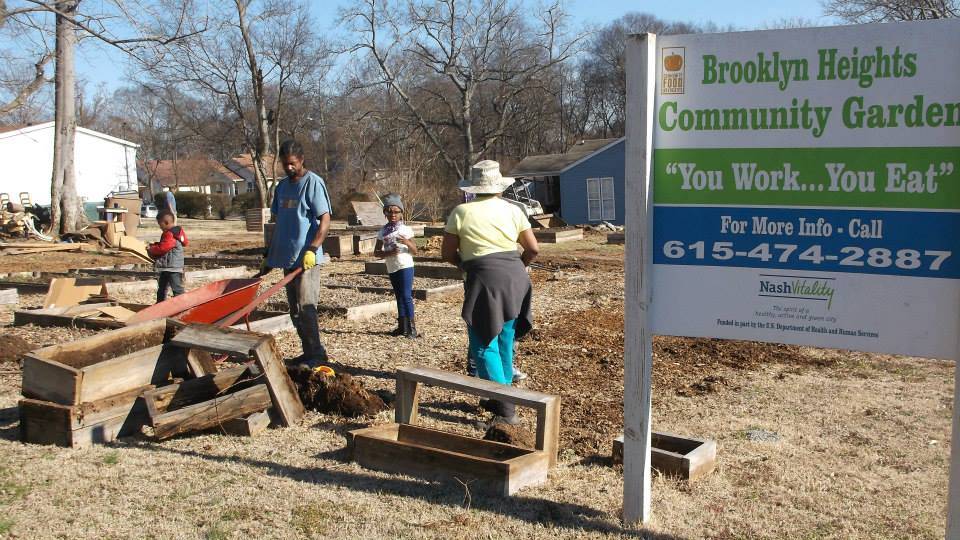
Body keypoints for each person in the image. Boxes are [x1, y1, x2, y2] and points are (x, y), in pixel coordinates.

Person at [442, 160, 539, 425]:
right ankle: (499, 391)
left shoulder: (461, 212)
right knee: (505, 337)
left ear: (473, 187)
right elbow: (533, 249)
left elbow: (447, 253)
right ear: (498, 186)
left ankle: (506, 410)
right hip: (515, 279)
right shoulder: (514, 210)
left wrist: (467, 265)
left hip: (484, 280)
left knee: (484, 343)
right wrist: (516, 267)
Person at [262, 140, 333, 369]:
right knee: (294, 311)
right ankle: (307, 351)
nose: (289, 168)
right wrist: (269, 253)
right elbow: (278, 222)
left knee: (306, 308)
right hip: (287, 258)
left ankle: (317, 354)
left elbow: (325, 220)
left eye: (292, 163)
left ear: (301, 160)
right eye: (285, 164)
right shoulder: (282, 187)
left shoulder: (313, 183)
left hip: (306, 259)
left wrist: (313, 248)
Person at [374, 194, 419, 338]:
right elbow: (376, 252)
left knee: (406, 296)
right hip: (392, 266)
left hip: (405, 265)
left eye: (396, 212)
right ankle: (402, 327)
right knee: (399, 296)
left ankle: (412, 328)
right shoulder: (383, 231)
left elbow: (415, 250)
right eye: (389, 211)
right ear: (385, 213)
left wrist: (407, 242)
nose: (393, 214)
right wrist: (389, 253)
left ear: (401, 213)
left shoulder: (405, 229)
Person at [147, 209, 188, 303]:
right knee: (162, 288)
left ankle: (182, 305)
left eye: (159, 224)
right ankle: (160, 305)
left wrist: (151, 249)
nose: (159, 227)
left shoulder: (170, 234)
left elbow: (163, 248)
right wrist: (155, 245)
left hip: (172, 267)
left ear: (166, 222)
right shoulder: (174, 233)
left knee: (176, 289)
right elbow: (164, 245)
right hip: (168, 267)